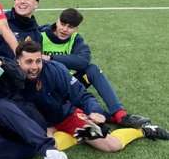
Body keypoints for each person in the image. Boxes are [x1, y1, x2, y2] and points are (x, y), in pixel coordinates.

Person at [17, 40, 169, 152]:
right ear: (18, 62)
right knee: (46, 148)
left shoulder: (56, 70)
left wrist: (94, 110)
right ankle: (74, 136)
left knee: (112, 146)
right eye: (29, 62)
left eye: (38, 61)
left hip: (65, 116)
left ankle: (143, 131)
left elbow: (82, 95)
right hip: (40, 123)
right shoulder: (10, 77)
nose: (35, 66)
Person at [40, 8, 151, 128]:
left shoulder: (76, 39)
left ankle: (120, 114)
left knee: (92, 69)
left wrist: (50, 57)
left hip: (67, 84)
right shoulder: (41, 34)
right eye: (62, 24)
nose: (64, 29)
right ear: (57, 21)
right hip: (44, 86)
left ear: (76, 29)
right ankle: (107, 117)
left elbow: (83, 61)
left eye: (70, 27)